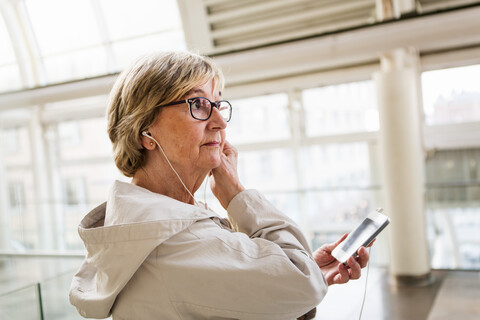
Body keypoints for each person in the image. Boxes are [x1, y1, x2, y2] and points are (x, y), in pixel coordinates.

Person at [69, 51, 370, 320]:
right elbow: (302, 282)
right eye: (198, 104)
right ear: (144, 131)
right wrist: (238, 195)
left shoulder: (151, 225)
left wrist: (302, 271)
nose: (219, 122)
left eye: (217, 104)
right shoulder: (174, 241)